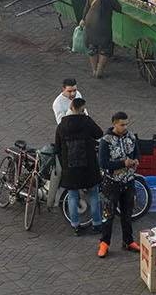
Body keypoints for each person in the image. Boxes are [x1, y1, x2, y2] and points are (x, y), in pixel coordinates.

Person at [55, 95, 102, 234]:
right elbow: (99, 133)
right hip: (89, 166)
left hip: (70, 167)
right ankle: (97, 224)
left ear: (70, 107)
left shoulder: (62, 125)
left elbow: (58, 147)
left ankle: (75, 225)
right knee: (93, 194)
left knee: (72, 196)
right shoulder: (87, 121)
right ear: (82, 110)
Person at [97, 111, 141, 257]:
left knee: (127, 214)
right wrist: (123, 163)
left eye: (127, 124)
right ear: (114, 124)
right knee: (108, 215)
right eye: (122, 125)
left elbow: (137, 153)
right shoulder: (106, 140)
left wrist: (136, 160)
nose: (125, 127)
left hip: (129, 181)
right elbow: (103, 163)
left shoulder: (131, 136)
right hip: (112, 183)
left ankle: (128, 241)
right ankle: (104, 243)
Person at [81, 0, 119, 78]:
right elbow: (118, 8)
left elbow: (86, 7)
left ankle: (94, 70)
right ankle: (99, 71)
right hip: (103, 25)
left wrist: (83, 19)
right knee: (105, 48)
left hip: (90, 22)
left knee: (92, 47)